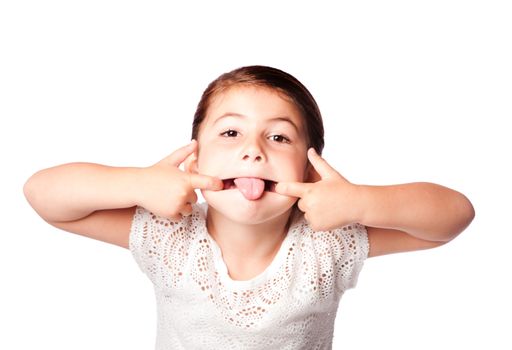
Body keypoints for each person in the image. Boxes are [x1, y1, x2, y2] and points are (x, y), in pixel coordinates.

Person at [23, 65, 475, 349]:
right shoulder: (168, 235)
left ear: (310, 169)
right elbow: (45, 195)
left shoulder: (329, 244)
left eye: (279, 137)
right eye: (230, 133)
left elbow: (453, 217)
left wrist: (360, 200)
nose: (253, 152)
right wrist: (138, 184)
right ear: (195, 158)